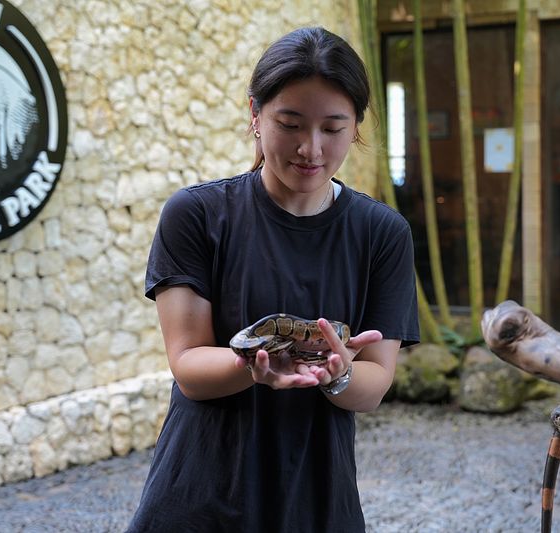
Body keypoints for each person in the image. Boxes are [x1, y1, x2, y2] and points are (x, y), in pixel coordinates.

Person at [127, 26, 420, 533]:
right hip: (201, 493)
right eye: (290, 123)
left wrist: (338, 374)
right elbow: (189, 365)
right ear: (255, 116)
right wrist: (258, 366)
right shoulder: (196, 216)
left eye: (332, 128)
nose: (311, 149)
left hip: (317, 494)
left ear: (356, 127)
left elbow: (373, 384)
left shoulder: (382, 233)